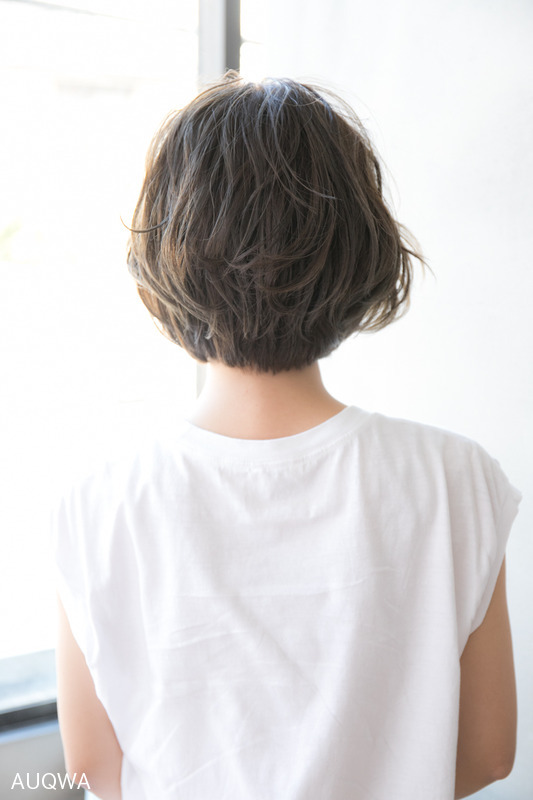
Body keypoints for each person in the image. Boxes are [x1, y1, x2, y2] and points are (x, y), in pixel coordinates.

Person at [53, 72, 521, 800]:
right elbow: (488, 755)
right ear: (358, 252)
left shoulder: (100, 499)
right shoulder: (453, 477)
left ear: (167, 255)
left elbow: (90, 765)